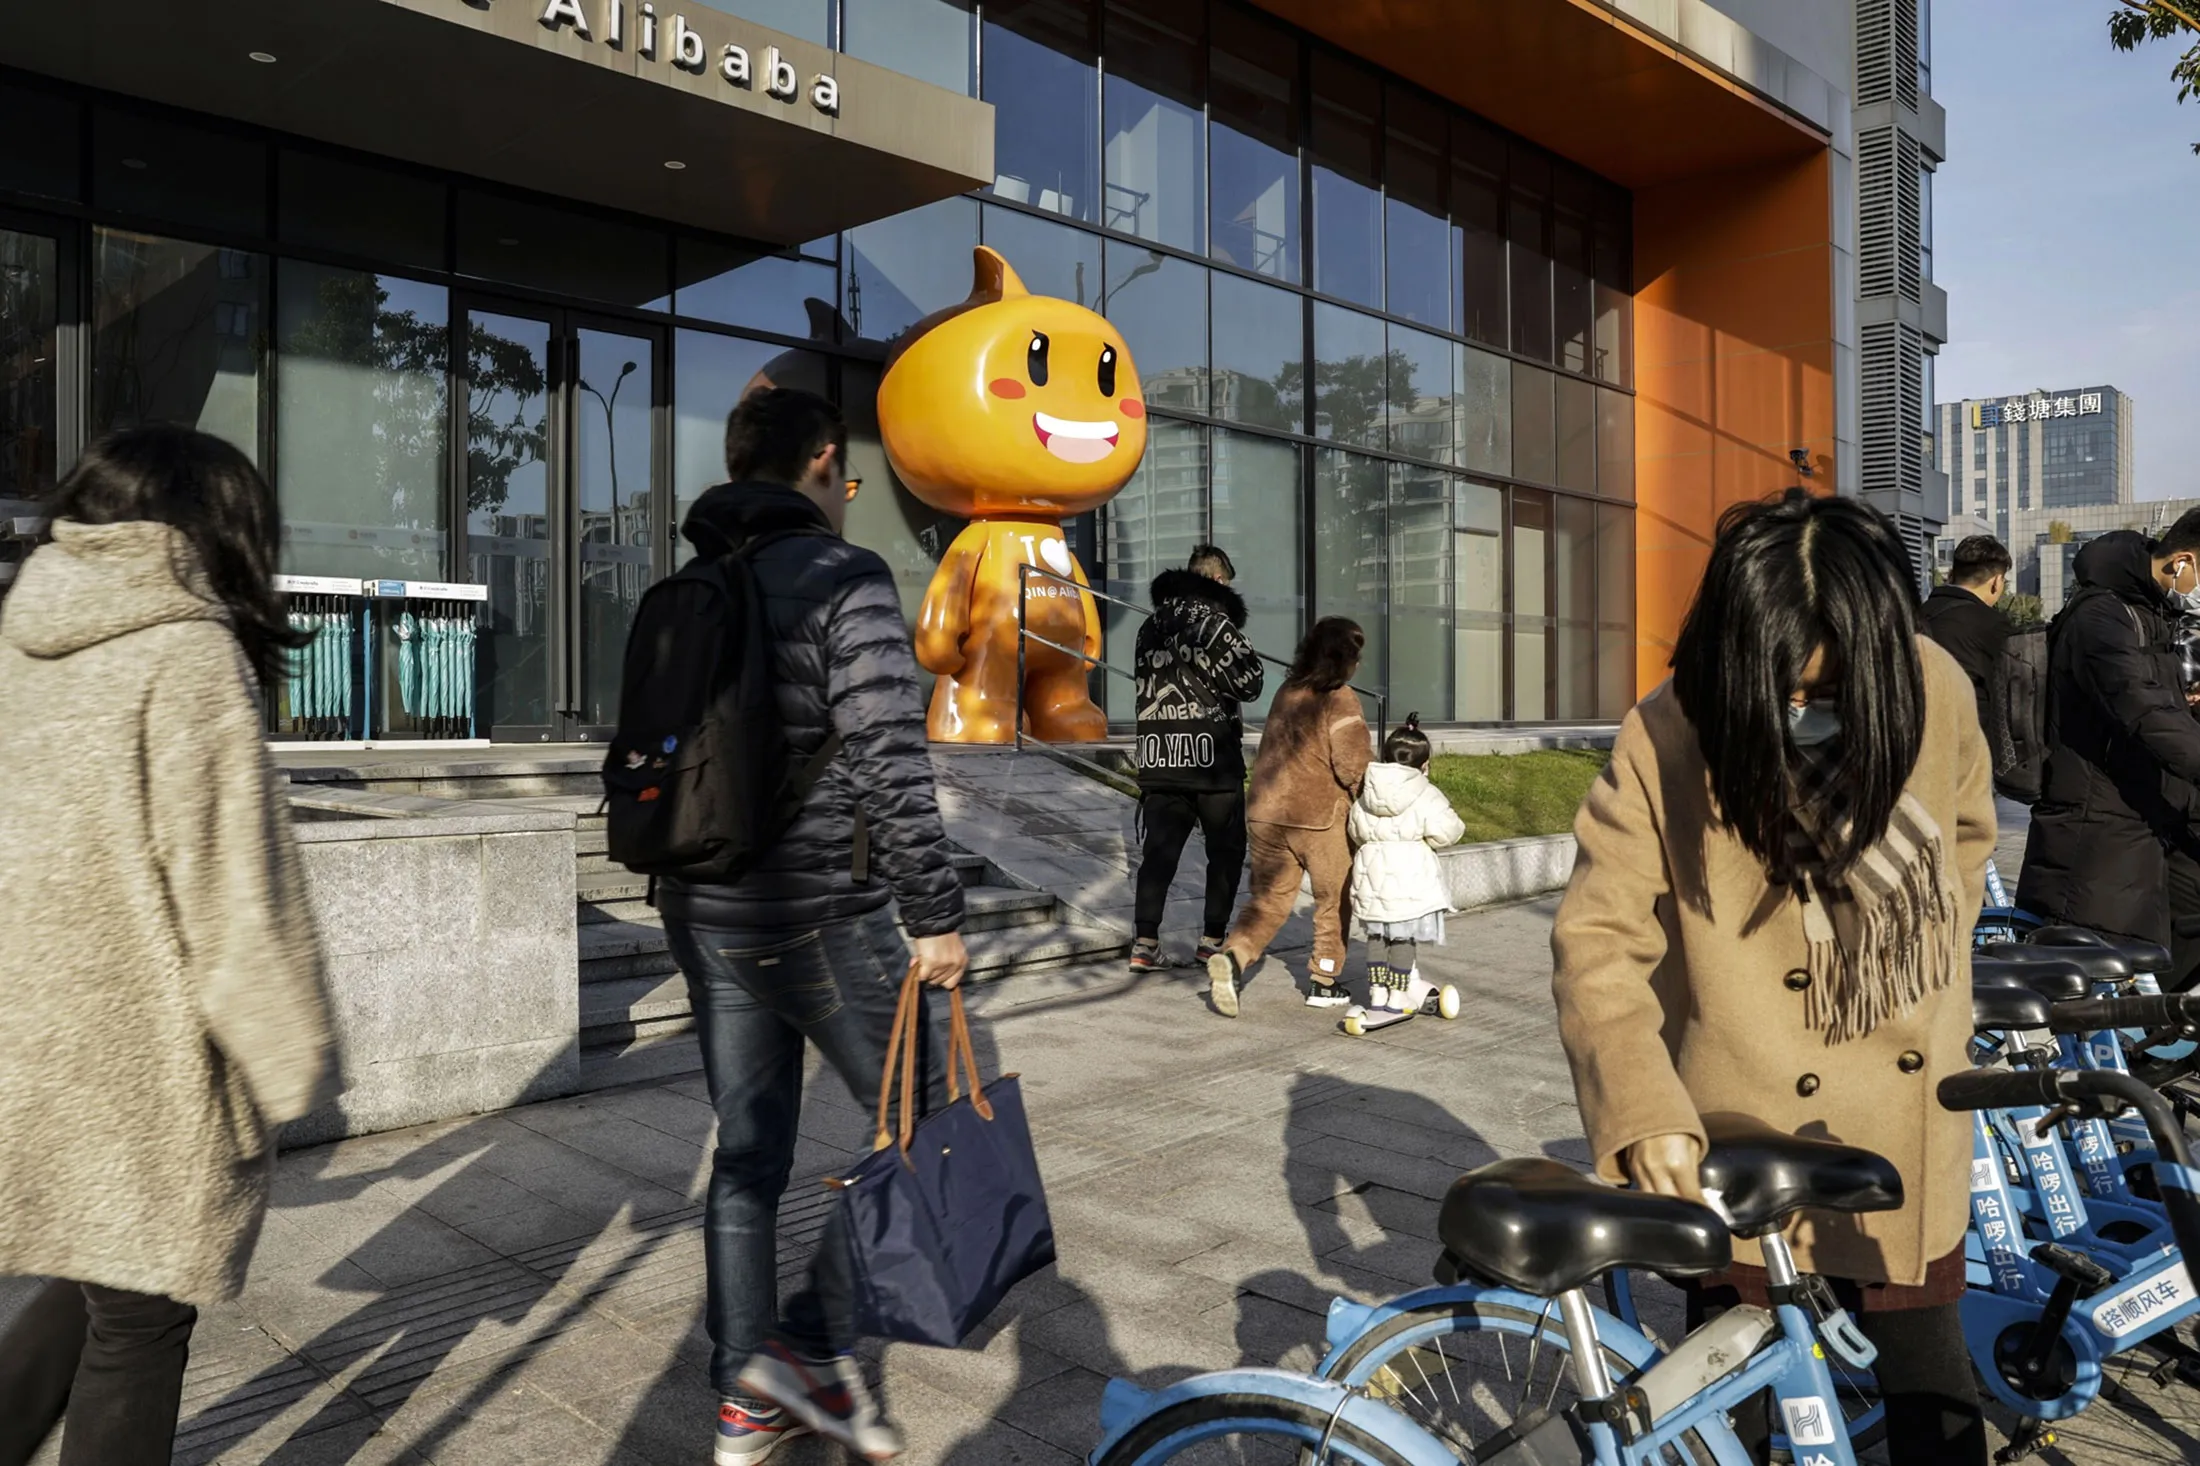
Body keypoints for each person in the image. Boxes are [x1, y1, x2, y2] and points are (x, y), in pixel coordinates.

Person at [1552, 489, 1994, 1465]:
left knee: (1929, 1379)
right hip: (1741, 1113)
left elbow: (1966, 845)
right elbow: (1596, 936)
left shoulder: (1932, 689)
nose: (1800, 715)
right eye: (1779, 693)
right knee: (1733, 1399)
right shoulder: (1671, 727)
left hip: (1900, 1119)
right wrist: (1642, 1104)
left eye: (1828, 695)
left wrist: (1923, 965)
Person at [0, 426, 340, 1466]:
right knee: (141, 1317)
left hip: (30, 1034)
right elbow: (238, 894)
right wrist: (296, 1061)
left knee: (99, 1263)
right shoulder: (188, 652)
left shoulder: (23, 633)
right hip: (141, 1059)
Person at [657, 389, 970, 1465]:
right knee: (929, 1129)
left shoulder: (687, 581)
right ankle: (802, 1345)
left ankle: (744, 1399)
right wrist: (933, 916)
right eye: (846, 477)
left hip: (703, 909)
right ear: (825, 462)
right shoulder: (846, 577)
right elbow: (888, 754)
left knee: (746, 1158)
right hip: (820, 913)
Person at [2017, 517, 2200, 948]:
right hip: (2098, 832)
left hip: (2150, 815)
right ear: (2182, 562)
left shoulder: (2152, 612)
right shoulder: (2101, 615)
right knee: (2098, 995)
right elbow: (2141, 707)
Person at [1207, 617, 1371, 1015]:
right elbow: (1353, 766)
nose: (1359, 664)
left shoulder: (1287, 691)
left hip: (1265, 813)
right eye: (1356, 656)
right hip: (1319, 818)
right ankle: (1324, 978)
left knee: (1267, 900)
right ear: (1343, 658)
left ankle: (1234, 956)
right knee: (1332, 902)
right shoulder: (1341, 698)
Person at [1129, 543, 1264, 974]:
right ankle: (1211, 942)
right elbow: (1250, 683)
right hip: (1213, 762)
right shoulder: (1215, 622)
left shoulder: (1149, 625)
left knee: (1159, 855)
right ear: (1218, 580)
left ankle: (1144, 943)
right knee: (1224, 853)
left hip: (1159, 758)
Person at [1344, 715, 1466, 1025]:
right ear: (1424, 764)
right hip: (1408, 882)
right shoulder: (1425, 793)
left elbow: (1355, 830)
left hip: (1371, 881)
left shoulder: (1366, 795)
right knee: (1401, 940)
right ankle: (1398, 998)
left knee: (1375, 937)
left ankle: (1376, 995)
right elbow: (1448, 831)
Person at [1919, 533, 2014, 771]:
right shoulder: (1994, 625)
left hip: (1913, 739)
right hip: (1966, 750)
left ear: (1952, 575)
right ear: (1996, 581)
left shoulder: (1916, 613)